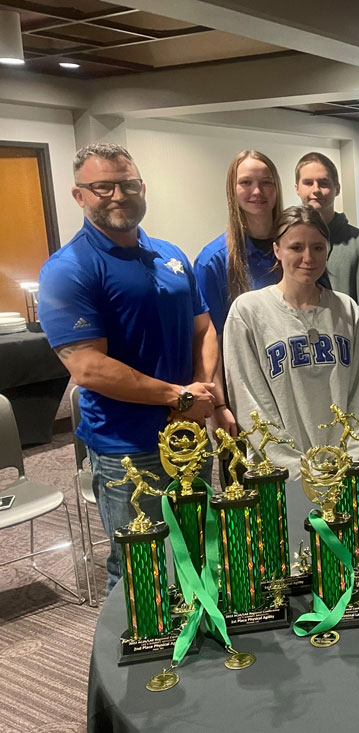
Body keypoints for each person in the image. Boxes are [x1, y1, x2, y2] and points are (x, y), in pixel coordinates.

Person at [38, 143, 216, 593]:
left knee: (200, 550)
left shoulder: (169, 253)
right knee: (142, 568)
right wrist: (179, 397)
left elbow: (204, 328)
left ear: (143, 188)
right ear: (80, 196)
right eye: (103, 187)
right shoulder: (68, 269)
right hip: (128, 449)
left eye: (128, 184)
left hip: (190, 433)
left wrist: (202, 390)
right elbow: (89, 367)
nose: (119, 195)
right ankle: (141, 662)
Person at [224, 206, 359, 475]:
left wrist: (349, 459)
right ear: (277, 249)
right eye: (296, 247)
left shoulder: (347, 310)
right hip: (278, 475)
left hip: (340, 471)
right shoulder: (248, 312)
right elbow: (249, 402)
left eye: (317, 247)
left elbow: (358, 394)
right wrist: (298, 468)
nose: (308, 257)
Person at [193, 150, 284, 437]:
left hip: (294, 385)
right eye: (246, 182)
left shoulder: (297, 248)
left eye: (266, 182)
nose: (257, 191)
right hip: (243, 394)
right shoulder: (215, 260)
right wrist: (219, 405)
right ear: (233, 191)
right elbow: (211, 339)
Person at [295, 152, 359, 303]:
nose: (316, 190)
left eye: (323, 183)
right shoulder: (286, 243)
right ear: (297, 188)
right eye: (308, 183)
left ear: (337, 188)